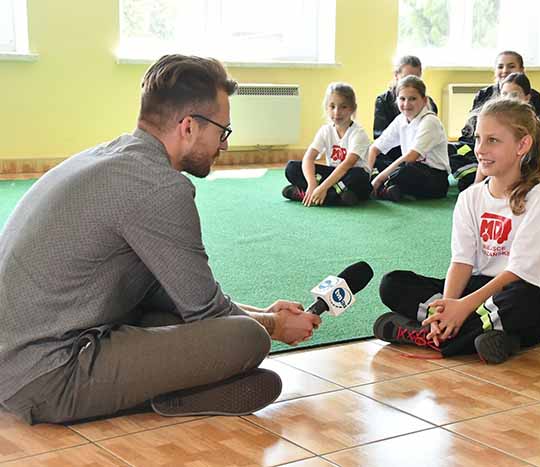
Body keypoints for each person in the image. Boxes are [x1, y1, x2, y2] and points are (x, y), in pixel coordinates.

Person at [0, 55, 321, 425]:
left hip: (19, 358)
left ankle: (187, 386)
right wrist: (274, 327)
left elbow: (172, 294)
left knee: (166, 313)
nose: (224, 146)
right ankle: (170, 396)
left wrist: (263, 312)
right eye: (223, 132)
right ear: (188, 127)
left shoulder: (112, 156)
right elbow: (208, 312)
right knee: (248, 340)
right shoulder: (158, 187)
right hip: (46, 377)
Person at [373, 98, 540, 363]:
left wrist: (462, 308)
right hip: (479, 291)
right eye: (478, 138)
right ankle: (487, 337)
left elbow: (519, 272)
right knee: (393, 283)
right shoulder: (470, 197)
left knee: (526, 302)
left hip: (516, 292)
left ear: (522, 145)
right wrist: (448, 307)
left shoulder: (539, 199)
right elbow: (461, 262)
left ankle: (426, 335)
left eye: (493, 140)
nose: (480, 149)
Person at [282, 82, 371, 206]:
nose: (337, 112)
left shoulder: (358, 134)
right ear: (326, 107)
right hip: (335, 179)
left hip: (350, 177)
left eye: (343, 107)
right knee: (291, 167)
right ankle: (335, 196)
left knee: (359, 175)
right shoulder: (325, 130)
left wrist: (322, 187)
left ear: (352, 109)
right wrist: (312, 183)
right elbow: (308, 158)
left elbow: (346, 165)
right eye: (332, 106)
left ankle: (312, 195)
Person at [368, 75, 451, 202]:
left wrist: (378, 179)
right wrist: (367, 175)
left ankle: (384, 189)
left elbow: (412, 156)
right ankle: (391, 189)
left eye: (412, 99)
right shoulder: (400, 119)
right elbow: (375, 148)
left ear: (424, 100)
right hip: (409, 169)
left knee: (407, 170)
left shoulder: (430, 121)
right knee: (377, 158)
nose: (406, 104)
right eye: (402, 99)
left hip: (434, 178)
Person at [373, 55, 438, 172]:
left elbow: (423, 146)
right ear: (396, 76)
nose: (410, 83)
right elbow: (380, 139)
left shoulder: (429, 105)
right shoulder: (383, 101)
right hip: (392, 155)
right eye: (406, 78)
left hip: (419, 158)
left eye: (416, 78)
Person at [466, 51, 540, 128]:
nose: (505, 71)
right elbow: (470, 131)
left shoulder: (535, 96)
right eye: (500, 67)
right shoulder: (483, 94)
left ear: (522, 70)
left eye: (511, 66)